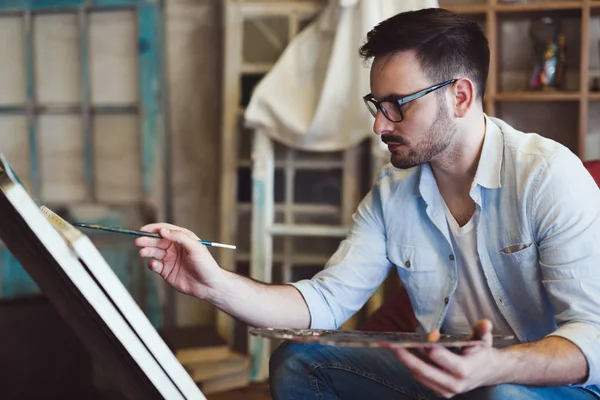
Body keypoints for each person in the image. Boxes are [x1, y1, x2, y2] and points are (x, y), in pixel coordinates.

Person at [135, 8, 600, 400]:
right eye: (376, 104)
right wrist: (211, 282)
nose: (380, 125)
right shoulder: (392, 192)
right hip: (449, 376)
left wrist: (496, 367)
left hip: (547, 386)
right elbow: (326, 302)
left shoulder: (548, 176)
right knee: (302, 362)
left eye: (398, 104)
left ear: (460, 96)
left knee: (495, 395)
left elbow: (592, 338)